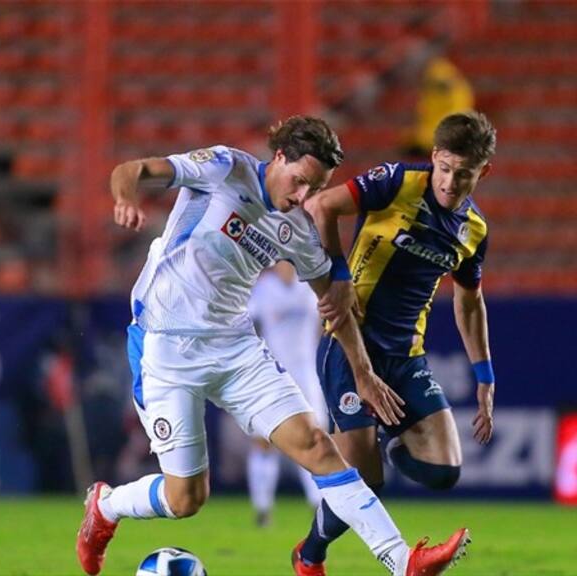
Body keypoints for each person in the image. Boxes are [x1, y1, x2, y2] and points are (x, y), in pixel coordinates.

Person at [76, 116, 469, 576]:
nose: (304, 196)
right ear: (279, 157)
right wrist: (125, 198)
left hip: (236, 348)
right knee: (186, 498)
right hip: (166, 346)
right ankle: (106, 506)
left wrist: (363, 373)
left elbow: (335, 305)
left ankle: (403, 562)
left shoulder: (298, 229)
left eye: (315, 188)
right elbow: (134, 170)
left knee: (318, 446)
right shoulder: (225, 168)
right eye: (300, 181)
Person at [295, 111, 496, 575]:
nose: (449, 182)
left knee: (444, 470)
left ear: (483, 172)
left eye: (463, 174)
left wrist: (484, 376)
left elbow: (469, 303)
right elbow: (320, 206)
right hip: (350, 344)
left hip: (406, 356)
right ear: (434, 157)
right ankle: (309, 556)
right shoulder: (397, 182)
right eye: (444, 168)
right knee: (364, 482)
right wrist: (337, 275)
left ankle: (381, 440)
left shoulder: (474, 231)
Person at [246, 260, 327, 526]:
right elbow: (248, 324)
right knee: (264, 440)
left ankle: (318, 504)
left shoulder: (310, 286)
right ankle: (262, 508)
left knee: (314, 438)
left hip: (306, 373)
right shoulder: (264, 287)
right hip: (272, 372)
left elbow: (323, 323)